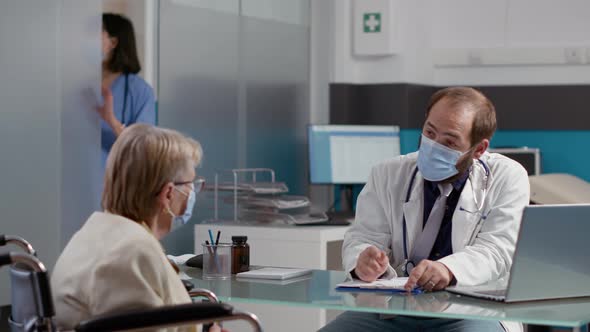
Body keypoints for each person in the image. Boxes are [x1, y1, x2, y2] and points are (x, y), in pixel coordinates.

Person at [319, 87, 530, 332]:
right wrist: (362, 262)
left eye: (449, 141)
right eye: (429, 132)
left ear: (479, 149)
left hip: (471, 309)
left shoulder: (507, 177)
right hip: (394, 308)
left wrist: (448, 269)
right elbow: (363, 236)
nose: (433, 145)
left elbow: (498, 251)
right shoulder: (388, 173)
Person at [51, 124, 214, 331]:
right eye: (192, 184)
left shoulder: (94, 232)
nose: (193, 193)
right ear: (168, 194)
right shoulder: (132, 252)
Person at [99, 13, 156, 168]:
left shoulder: (140, 91)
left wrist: (111, 121)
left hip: (112, 183)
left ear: (113, 42)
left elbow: (143, 149)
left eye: (95, 32)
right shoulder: (75, 84)